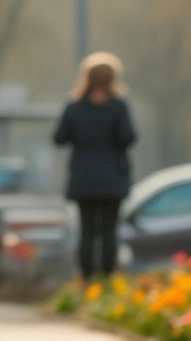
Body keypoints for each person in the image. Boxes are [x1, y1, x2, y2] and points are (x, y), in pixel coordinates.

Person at [53, 52, 138, 281]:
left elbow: (59, 138)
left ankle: (88, 279)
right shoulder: (119, 107)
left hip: (83, 180)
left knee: (87, 231)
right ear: (113, 79)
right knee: (109, 231)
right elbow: (128, 138)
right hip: (112, 180)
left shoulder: (74, 107)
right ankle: (107, 278)